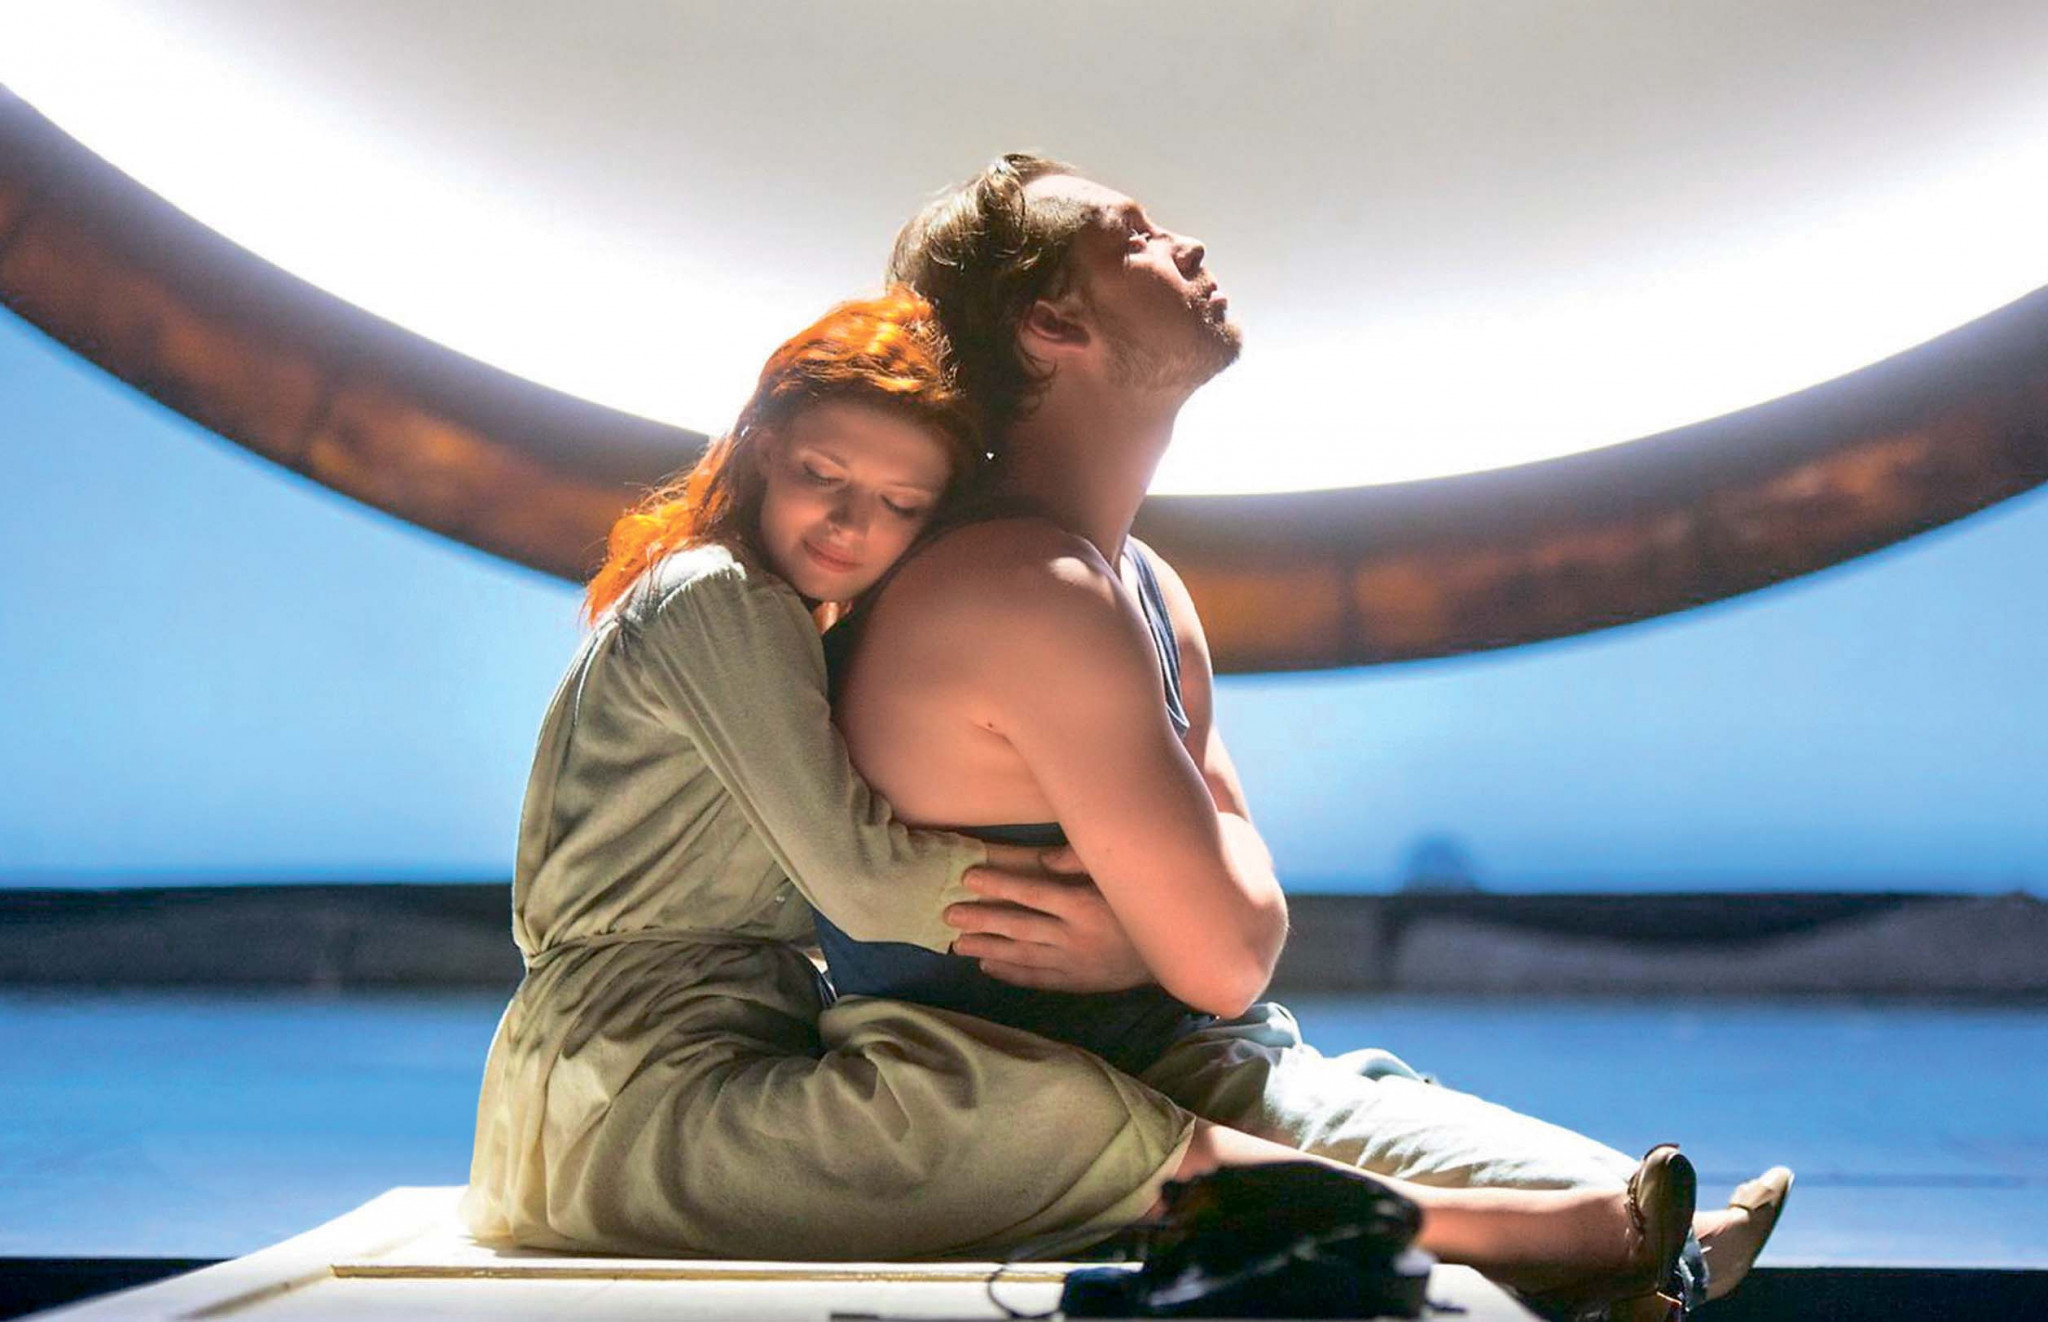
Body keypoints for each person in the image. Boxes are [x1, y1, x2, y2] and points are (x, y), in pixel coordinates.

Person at [461, 286, 1709, 1315]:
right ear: (753, 451)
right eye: (821, 475)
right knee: (1013, 1104)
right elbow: (857, 874)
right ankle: (1520, 1232)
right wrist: (1127, 923)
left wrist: (1138, 934)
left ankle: (1565, 1239)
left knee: (1020, 1088)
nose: (850, 523)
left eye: (898, 503)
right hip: (620, 1104)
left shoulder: (804, 610)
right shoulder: (715, 597)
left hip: (715, 1060)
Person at [819, 154, 1790, 1305]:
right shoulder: (1027, 587)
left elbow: (1237, 932)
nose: (1182, 243)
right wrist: (1173, 935)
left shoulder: (1136, 580)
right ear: (1051, 323)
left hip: (1192, 1062)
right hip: (1054, 1107)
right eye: (1132, 237)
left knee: (1608, 1213)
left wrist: (1148, 938)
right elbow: (1229, 953)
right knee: (1601, 1223)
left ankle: (1650, 1257)